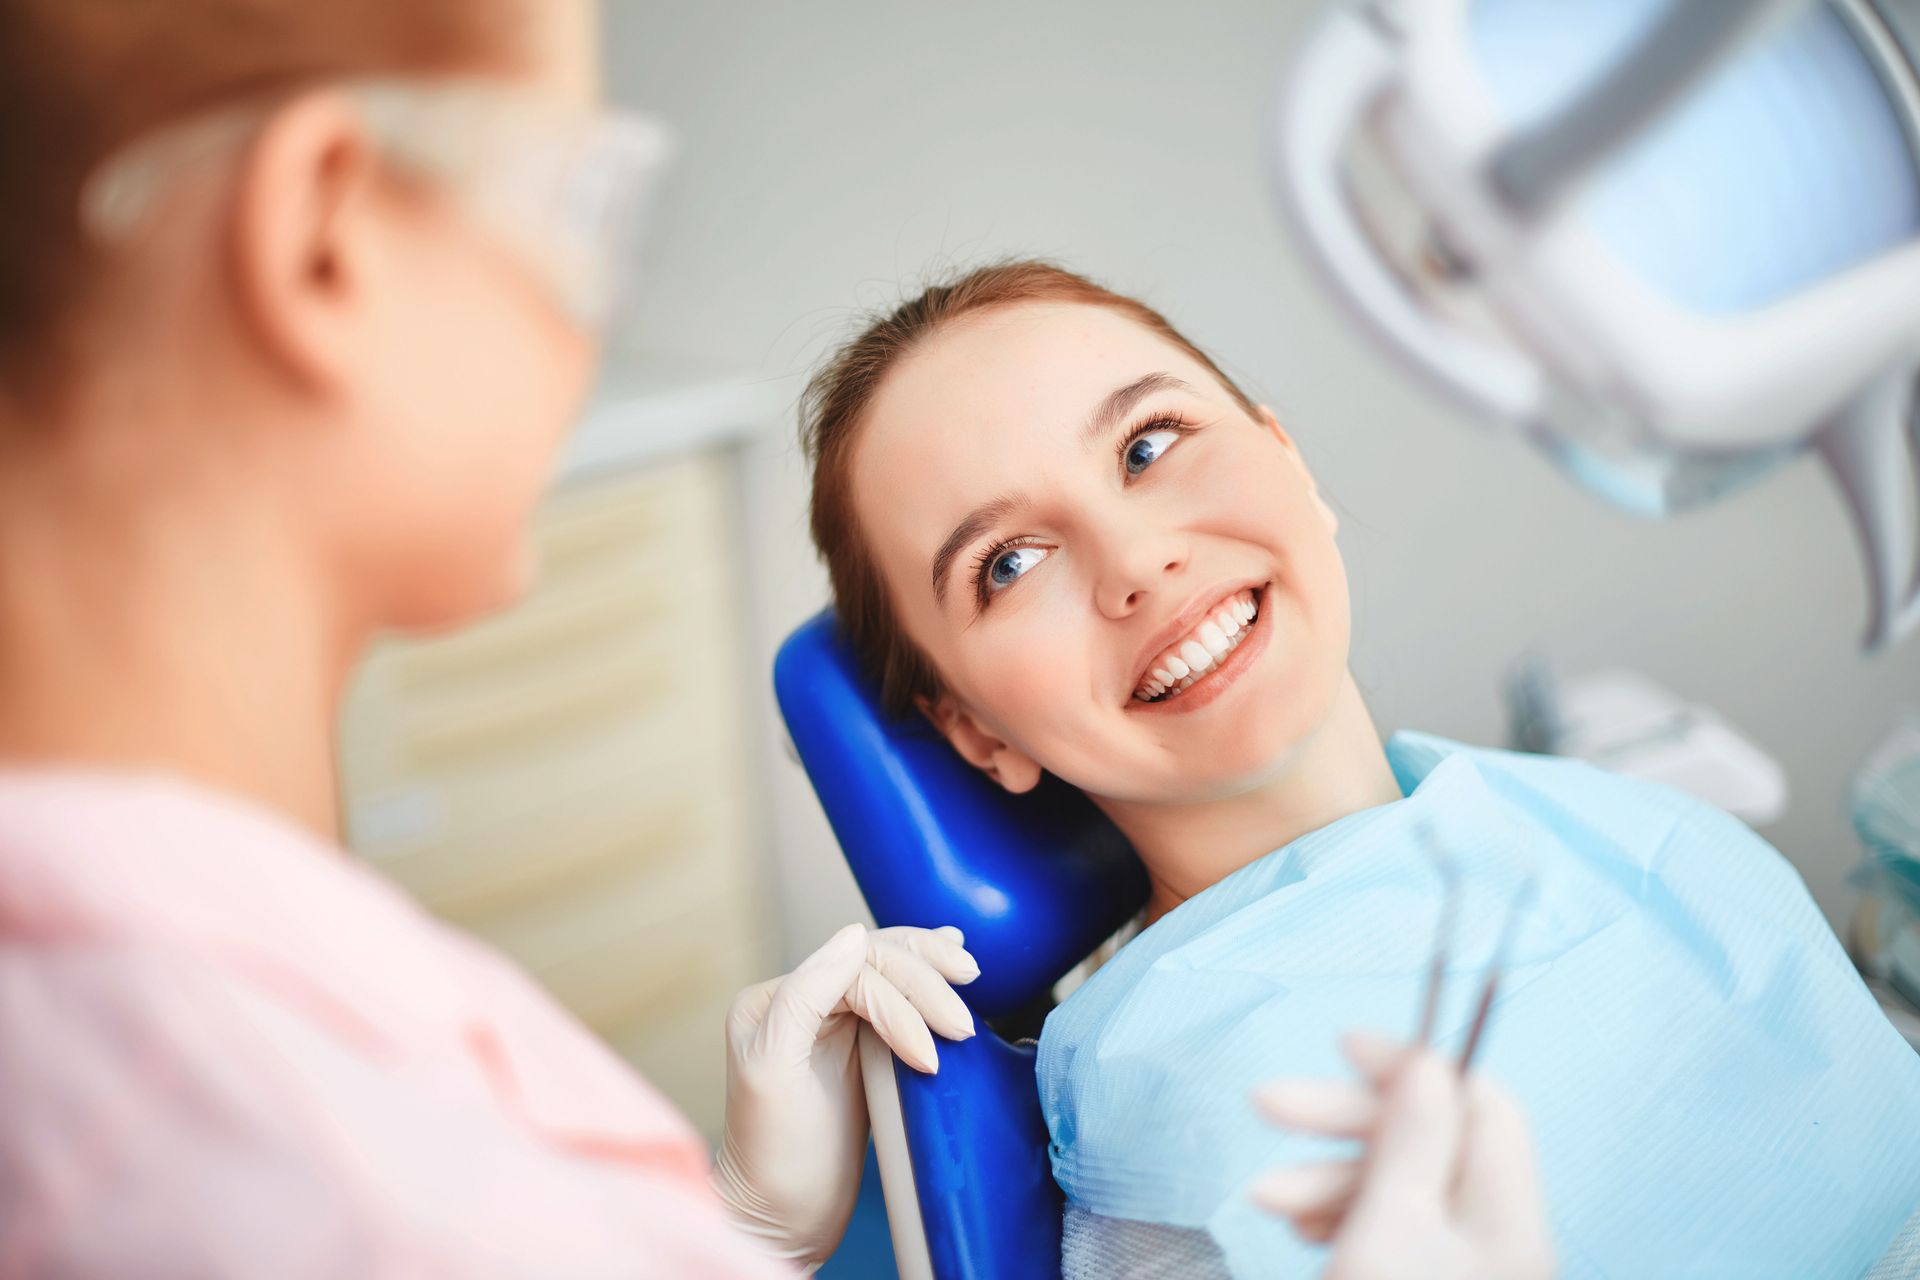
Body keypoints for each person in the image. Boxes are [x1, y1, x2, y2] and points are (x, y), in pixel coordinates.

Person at [0, 1, 980, 1274]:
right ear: (325, 240)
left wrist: (738, 1229)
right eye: (581, 203)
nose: (585, 321)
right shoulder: (335, 1180)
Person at [795, 259, 1920, 1277]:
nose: (1137, 562)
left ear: (1290, 461)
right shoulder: (1199, 1131)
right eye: (1011, 562)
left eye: (1147, 444)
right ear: (976, 732)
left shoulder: (1600, 819)